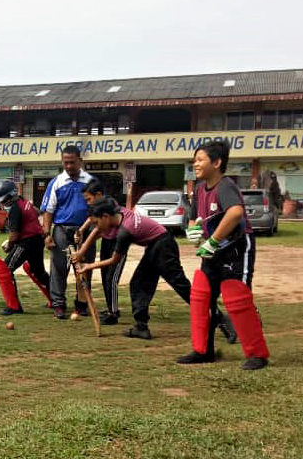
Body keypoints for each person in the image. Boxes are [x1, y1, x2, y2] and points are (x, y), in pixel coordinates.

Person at [178, 138, 270, 369]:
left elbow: (236, 213)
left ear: (217, 163)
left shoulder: (226, 186)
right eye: (194, 160)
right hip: (213, 251)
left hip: (236, 249)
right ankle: (203, 350)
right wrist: (193, 231)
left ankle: (257, 355)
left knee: (236, 298)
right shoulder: (199, 189)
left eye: (200, 160)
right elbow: (193, 218)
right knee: (201, 296)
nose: (195, 164)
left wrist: (213, 241)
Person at [74, 197, 192, 340]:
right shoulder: (119, 213)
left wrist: (89, 266)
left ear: (105, 217)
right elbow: (99, 230)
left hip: (163, 245)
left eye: (97, 223)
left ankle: (216, 316)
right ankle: (141, 327)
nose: (97, 227)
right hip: (155, 245)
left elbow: (114, 260)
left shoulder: (124, 232)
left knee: (180, 285)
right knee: (139, 284)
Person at [40, 145, 97, 319]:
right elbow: (48, 211)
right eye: (66, 163)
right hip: (62, 231)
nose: (69, 166)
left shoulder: (90, 181)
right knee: (58, 268)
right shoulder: (56, 183)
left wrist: (88, 229)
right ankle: (58, 304)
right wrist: (47, 235)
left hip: (85, 231)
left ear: (80, 161)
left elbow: (97, 208)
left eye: (72, 162)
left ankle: (81, 304)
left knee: (84, 268)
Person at [0, 180, 51, 316]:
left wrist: (8, 246)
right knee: (39, 272)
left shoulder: (15, 209)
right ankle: (56, 300)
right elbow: (39, 213)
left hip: (26, 243)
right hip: (37, 240)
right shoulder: (25, 202)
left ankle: (14, 307)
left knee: (5, 269)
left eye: (4, 200)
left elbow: (14, 236)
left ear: (10, 196)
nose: (2, 203)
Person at [75, 181, 120, 325]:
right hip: (107, 241)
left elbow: (96, 230)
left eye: (89, 199)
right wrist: (81, 230)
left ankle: (113, 313)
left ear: (98, 195)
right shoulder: (97, 207)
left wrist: (81, 252)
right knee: (105, 275)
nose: (88, 203)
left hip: (118, 243)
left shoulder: (109, 204)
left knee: (111, 279)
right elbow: (90, 220)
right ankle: (110, 309)